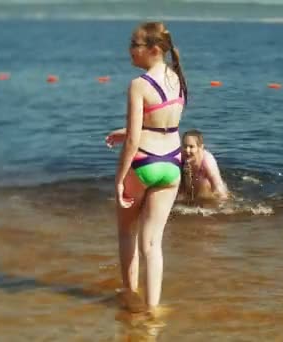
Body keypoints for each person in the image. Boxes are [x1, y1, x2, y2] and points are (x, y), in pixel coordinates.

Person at [105, 21, 187, 314]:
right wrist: (124, 131)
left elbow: (135, 141)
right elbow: (162, 122)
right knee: (152, 244)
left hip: (143, 162)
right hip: (172, 165)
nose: (129, 50)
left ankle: (130, 297)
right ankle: (153, 311)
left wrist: (118, 178)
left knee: (127, 233)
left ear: (153, 49)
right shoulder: (177, 78)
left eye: (134, 45)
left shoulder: (138, 85)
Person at [180, 129, 228, 202]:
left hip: (208, 197)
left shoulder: (207, 161)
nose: (187, 150)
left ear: (200, 147)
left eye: (191, 147)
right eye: (185, 146)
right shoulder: (181, 157)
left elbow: (219, 187)